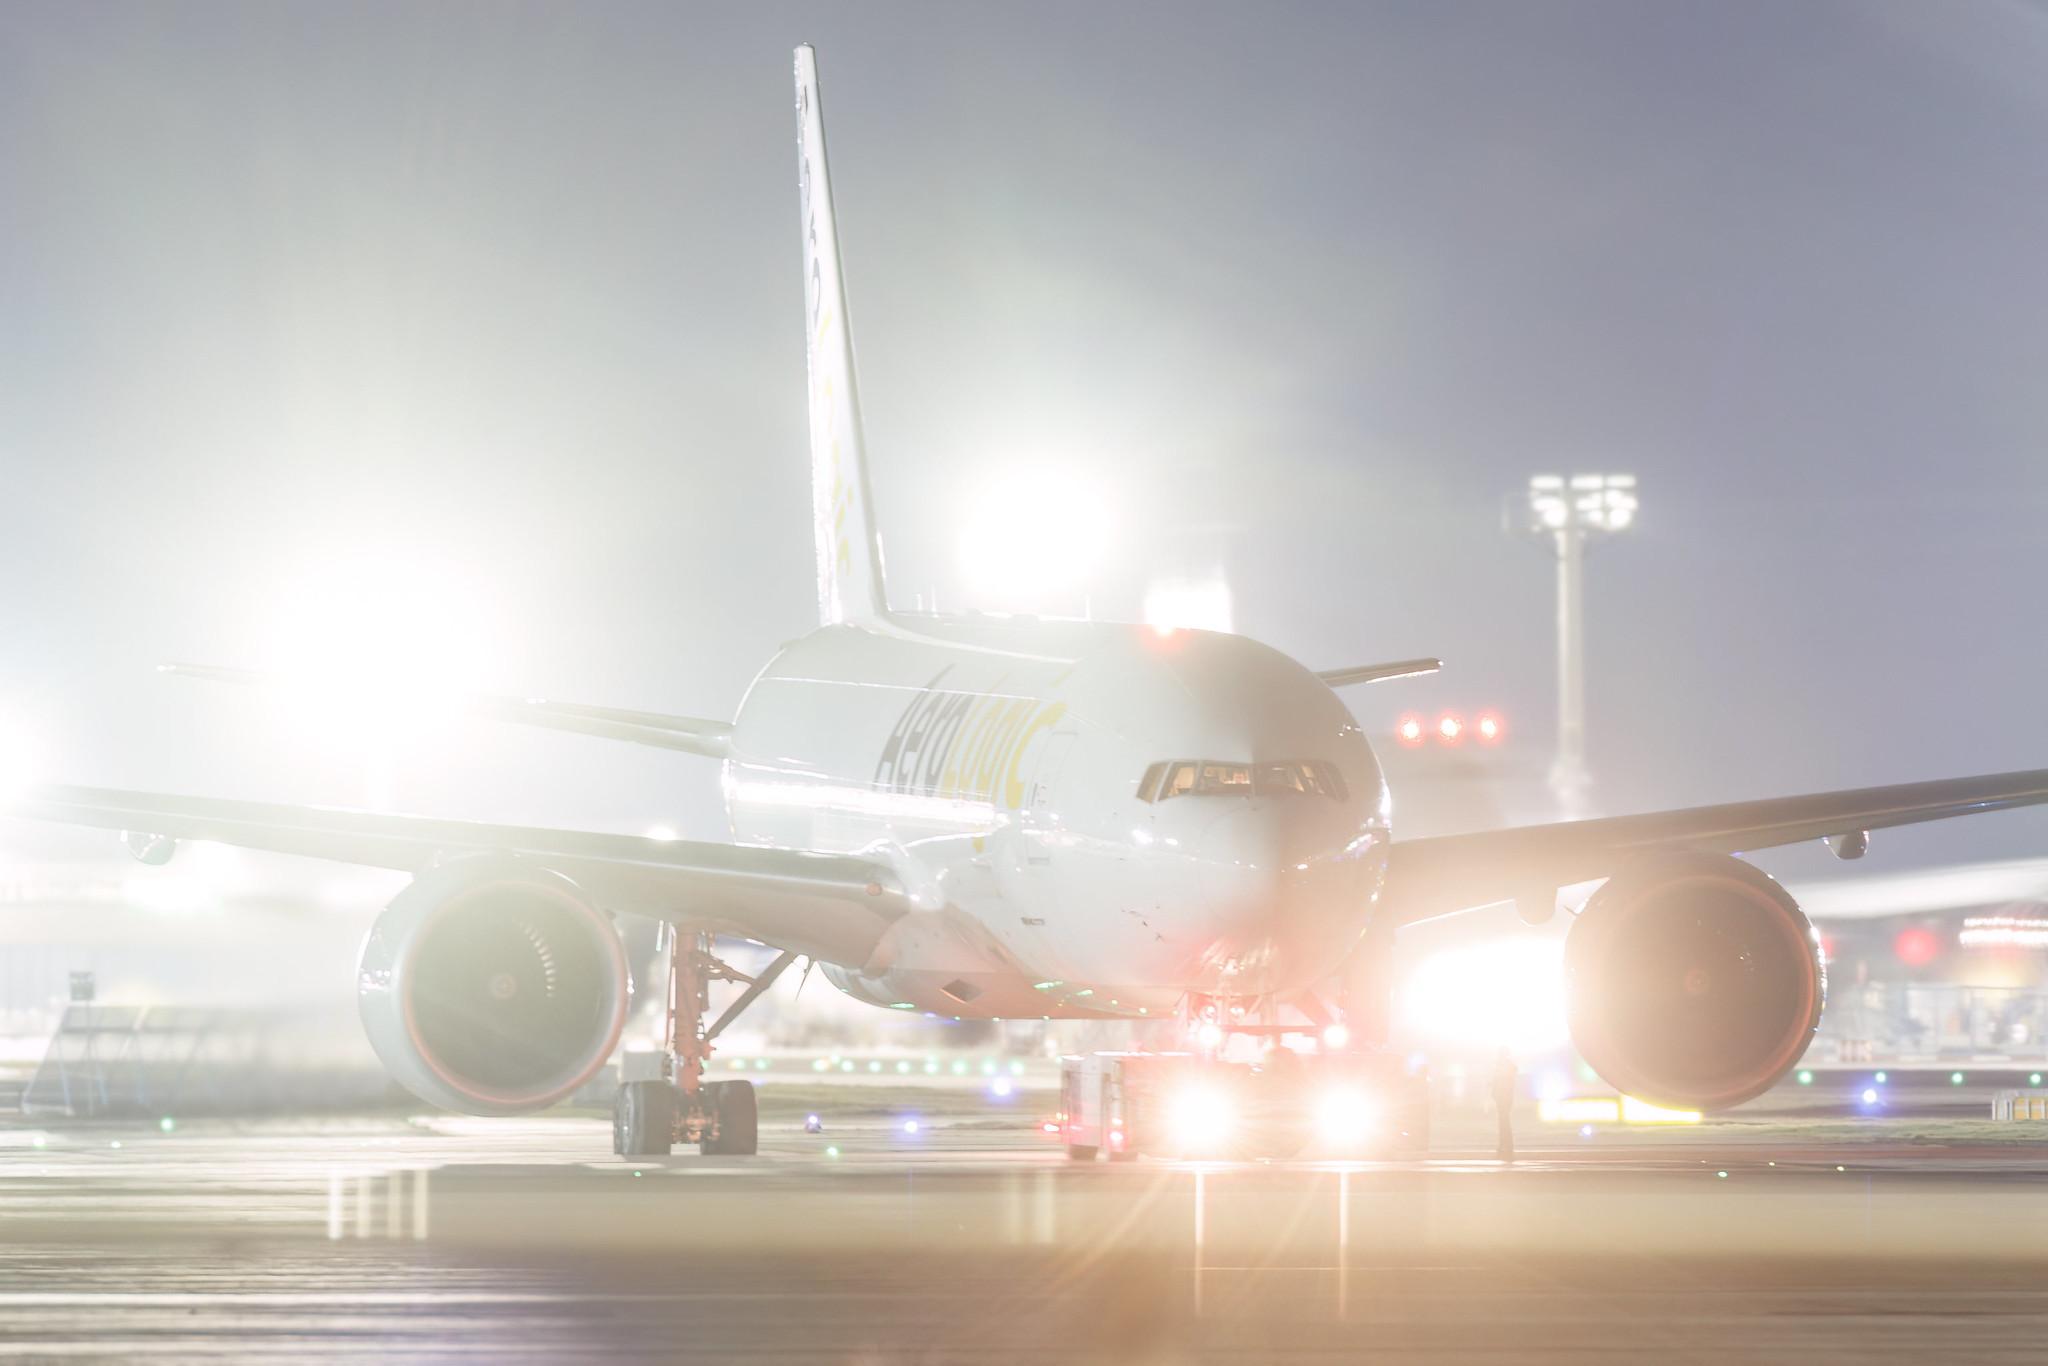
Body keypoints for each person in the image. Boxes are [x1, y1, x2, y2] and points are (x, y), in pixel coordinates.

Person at [1490, 1047, 1518, 1163]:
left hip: (1503, 1098)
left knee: (1504, 1123)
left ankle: (1505, 1147)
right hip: (1503, 1098)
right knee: (1503, 1123)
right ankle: (1505, 1147)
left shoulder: (1505, 1066)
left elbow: (1503, 1082)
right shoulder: (1506, 1066)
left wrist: (1495, 1087)